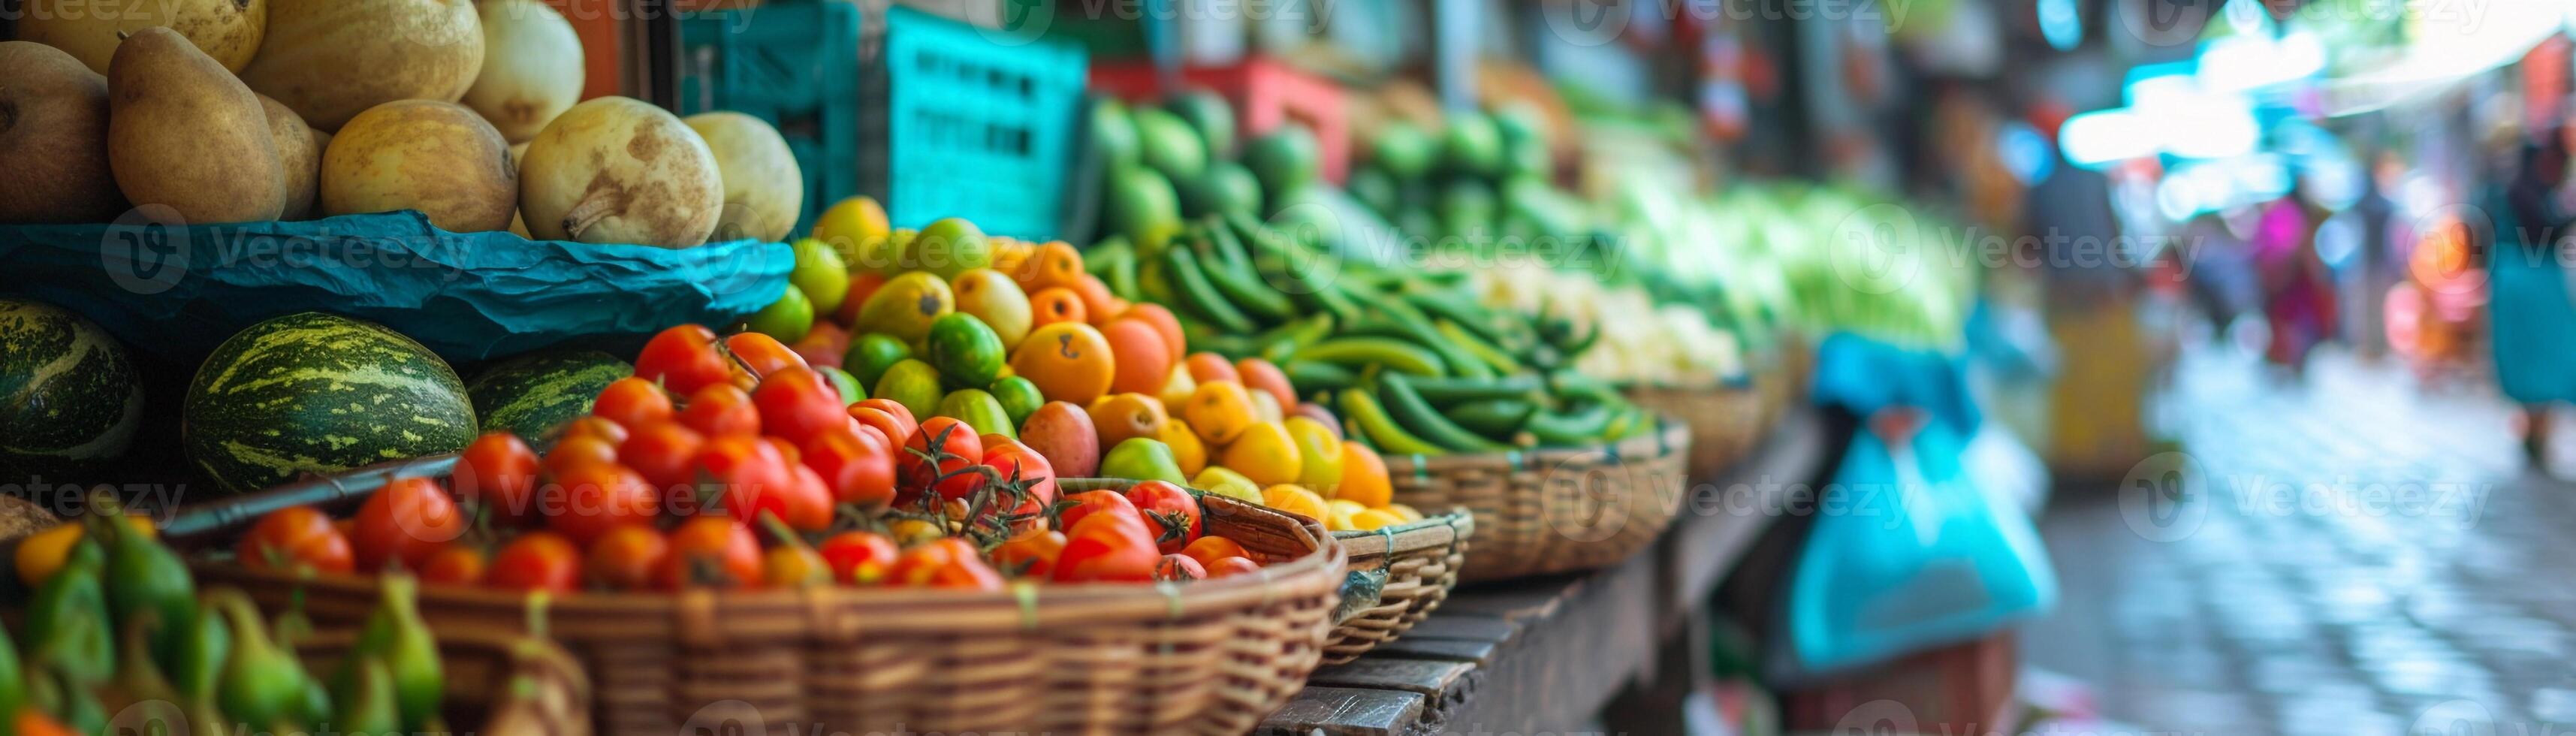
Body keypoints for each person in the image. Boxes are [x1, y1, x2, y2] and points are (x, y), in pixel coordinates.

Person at [2486, 134, 2576, 466]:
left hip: (2533, 285)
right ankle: (2535, 432)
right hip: (2529, 287)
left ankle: (2537, 433)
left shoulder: (2535, 192)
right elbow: (2543, 230)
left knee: (2542, 358)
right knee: (2538, 359)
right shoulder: (2523, 193)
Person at [2250, 182, 2336, 376]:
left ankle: (2285, 359)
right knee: (2288, 321)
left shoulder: (2278, 214)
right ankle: (2284, 359)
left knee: (2287, 321)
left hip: (2283, 280)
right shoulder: (2292, 216)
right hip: (2286, 279)